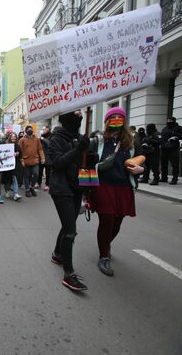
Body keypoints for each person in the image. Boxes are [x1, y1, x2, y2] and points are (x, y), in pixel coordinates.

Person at [89, 107, 144, 277]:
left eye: (119, 118)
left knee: (117, 222)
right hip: (102, 185)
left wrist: (140, 169)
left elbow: (141, 161)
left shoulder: (132, 142)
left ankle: (105, 244)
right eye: (112, 117)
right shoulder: (97, 141)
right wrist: (96, 170)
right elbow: (86, 165)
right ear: (106, 121)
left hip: (124, 187)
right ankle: (104, 256)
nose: (116, 120)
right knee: (107, 218)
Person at [49, 111, 89, 291]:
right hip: (61, 188)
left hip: (77, 186)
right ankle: (68, 273)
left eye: (81, 113)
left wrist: (89, 156)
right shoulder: (55, 138)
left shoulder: (80, 137)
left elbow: (83, 164)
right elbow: (58, 162)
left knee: (68, 224)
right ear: (66, 118)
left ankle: (58, 254)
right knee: (71, 231)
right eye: (75, 113)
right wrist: (78, 150)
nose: (79, 115)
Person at [18, 125, 45, 197]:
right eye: (29, 129)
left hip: (35, 160)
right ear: (26, 131)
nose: (30, 131)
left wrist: (42, 158)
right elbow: (19, 151)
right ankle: (27, 189)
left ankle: (31, 187)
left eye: (31, 129)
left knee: (36, 174)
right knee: (26, 176)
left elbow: (40, 149)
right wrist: (21, 160)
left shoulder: (36, 139)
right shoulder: (22, 140)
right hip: (26, 161)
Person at [160, 116, 182, 184]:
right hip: (164, 148)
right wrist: (163, 144)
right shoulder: (165, 128)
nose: (168, 121)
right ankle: (164, 177)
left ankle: (175, 178)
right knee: (163, 164)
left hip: (173, 149)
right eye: (168, 120)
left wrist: (174, 134)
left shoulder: (178, 128)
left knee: (174, 164)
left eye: (170, 120)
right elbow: (161, 137)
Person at [3, 132, 22, 201]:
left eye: (14, 136)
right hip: (7, 166)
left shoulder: (18, 146)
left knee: (14, 179)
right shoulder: (6, 145)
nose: (13, 137)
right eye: (12, 136)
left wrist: (18, 153)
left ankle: (15, 194)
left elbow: (21, 156)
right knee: (8, 179)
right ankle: (7, 191)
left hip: (15, 166)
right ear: (10, 137)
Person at [38, 125, 52, 191]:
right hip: (41, 156)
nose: (43, 130)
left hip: (48, 157)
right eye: (42, 129)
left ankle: (47, 184)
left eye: (44, 129)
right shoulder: (41, 136)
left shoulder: (51, 136)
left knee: (48, 172)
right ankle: (38, 183)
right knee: (40, 171)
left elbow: (50, 144)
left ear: (48, 129)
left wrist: (43, 139)